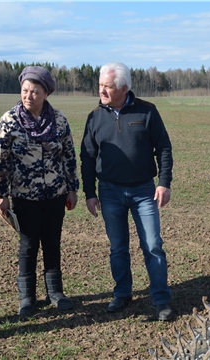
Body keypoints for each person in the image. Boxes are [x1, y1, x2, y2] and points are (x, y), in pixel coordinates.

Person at [80, 61, 174, 321]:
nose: (102, 91)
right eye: (100, 85)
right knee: (118, 247)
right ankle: (122, 293)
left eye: (108, 86)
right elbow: (87, 157)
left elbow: (163, 148)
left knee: (153, 245)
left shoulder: (147, 112)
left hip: (144, 192)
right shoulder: (95, 118)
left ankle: (161, 299)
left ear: (124, 88)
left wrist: (164, 182)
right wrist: (90, 192)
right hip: (109, 192)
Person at [0, 66, 79, 319]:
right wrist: (1, 194)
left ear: (46, 94)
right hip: (23, 195)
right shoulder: (9, 120)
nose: (28, 96)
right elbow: (1, 160)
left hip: (55, 194)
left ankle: (56, 293)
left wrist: (73, 189)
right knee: (28, 246)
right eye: (25, 91)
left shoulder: (60, 120)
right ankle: (27, 298)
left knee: (52, 243)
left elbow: (69, 157)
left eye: (35, 91)